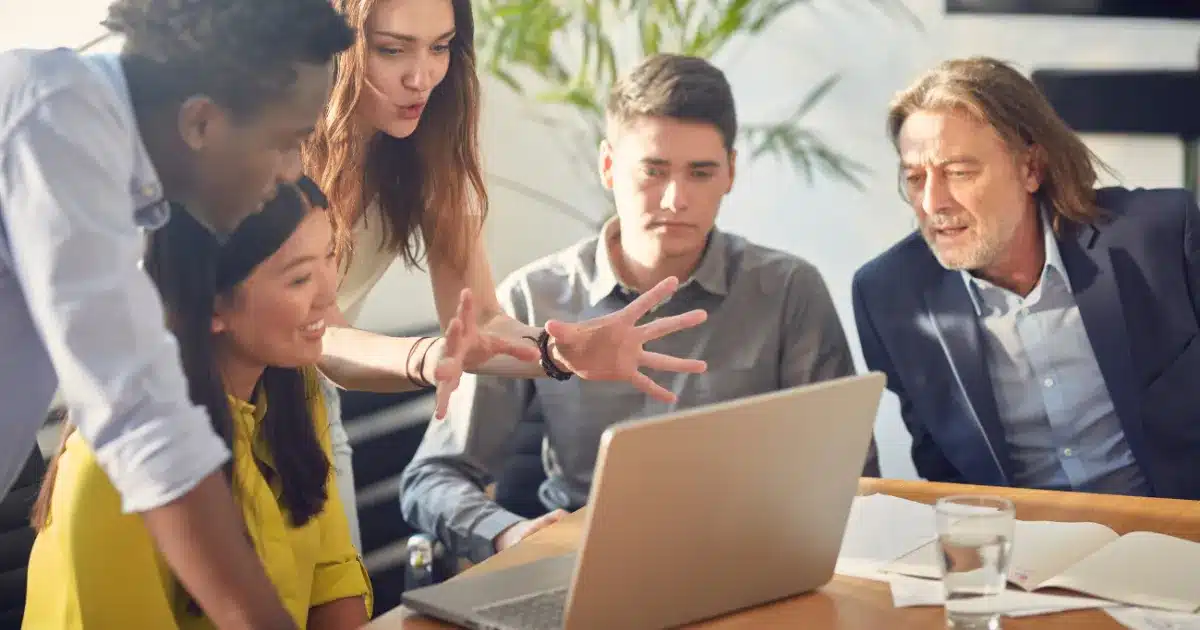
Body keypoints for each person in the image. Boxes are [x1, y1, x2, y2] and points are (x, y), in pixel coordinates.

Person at [399, 53, 880, 562]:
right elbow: (433, 476)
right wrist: (507, 534)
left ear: (731, 172)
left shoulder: (788, 292)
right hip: (584, 562)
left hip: (751, 558)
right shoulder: (533, 298)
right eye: (653, 171)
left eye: (700, 172)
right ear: (608, 166)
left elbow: (848, 469)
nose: (675, 199)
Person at [0, 1, 353, 627]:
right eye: (283, 141)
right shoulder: (55, 119)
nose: (293, 171)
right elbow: (142, 418)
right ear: (201, 122)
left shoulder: (118, 184)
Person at [304, 0, 709, 543]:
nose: (422, 76)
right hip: (215, 402)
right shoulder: (284, 146)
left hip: (308, 408)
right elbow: (318, 335)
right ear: (338, 42)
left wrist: (558, 351)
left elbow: (483, 320)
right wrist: (428, 356)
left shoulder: (429, 144)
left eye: (441, 47)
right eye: (392, 49)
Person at [25, 179, 372, 629]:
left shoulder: (294, 392)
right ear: (210, 305)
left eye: (331, 257)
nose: (329, 295)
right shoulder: (112, 470)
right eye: (300, 278)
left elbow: (332, 579)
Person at [851, 56, 1200, 499]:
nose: (932, 203)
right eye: (916, 179)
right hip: (1022, 550)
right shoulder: (887, 296)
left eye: (959, 172)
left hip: (1171, 531)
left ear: (1030, 168)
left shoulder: (1160, 237)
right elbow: (945, 473)